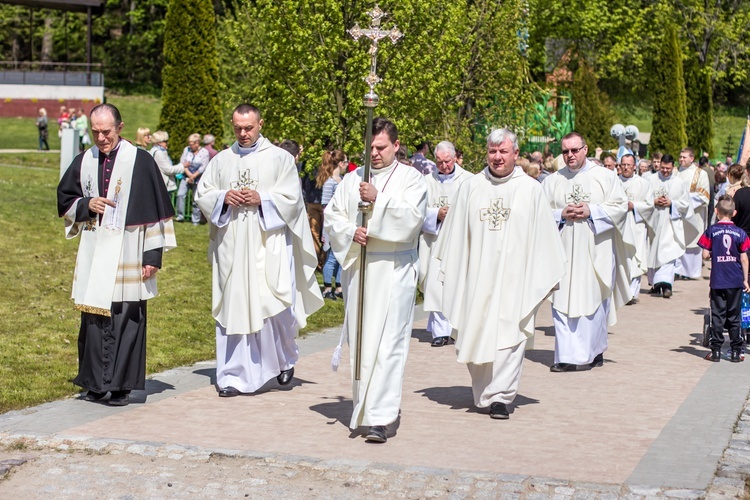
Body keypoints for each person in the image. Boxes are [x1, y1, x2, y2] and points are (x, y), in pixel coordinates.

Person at [426, 129, 566, 419]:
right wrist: (452, 271)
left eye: (504, 151)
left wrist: (546, 275)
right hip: (476, 277)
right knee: (475, 333)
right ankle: (484, 391)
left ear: (516, 153)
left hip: (515, 279)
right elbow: (454, 235)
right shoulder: (471, 187)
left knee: (509, 336)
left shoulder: (530, 189)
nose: (498, 157)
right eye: (493, 152)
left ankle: (501, 397)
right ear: (486, 153)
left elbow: (544, 236)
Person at [195, 104, 323, 397]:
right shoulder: (221, 161)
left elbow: (292, 200)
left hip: (269, 244)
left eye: (249, 128)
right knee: (233, 308)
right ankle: (231, 376)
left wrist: (262, 199)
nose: (243, 133)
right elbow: (204, 194)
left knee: (273, 310)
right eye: (238, 128)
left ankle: (283, 359)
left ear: (260, 124)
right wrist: (224, 197)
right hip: (232, 247)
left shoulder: (280, 158)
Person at [56, 103, 176, 406]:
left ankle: (122, 386)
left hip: (130, 249)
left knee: (127, 316)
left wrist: (152, 257)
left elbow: (156, 213)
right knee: (94, 318)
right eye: (95, 132)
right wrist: (86, 205)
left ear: (119, 128)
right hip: (96, 249)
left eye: (106, 132)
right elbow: (65, 199)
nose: (101, 138)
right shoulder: (84, 160)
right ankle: (95, 383)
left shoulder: (141, 161)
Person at [324, 117, 427, 443]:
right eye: (369, 147)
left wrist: (378, 199)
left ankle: (382, 418)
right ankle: (364, 409)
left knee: (389, 344)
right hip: (362, 269)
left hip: (394, 271)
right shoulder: (351, 178)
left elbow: (412, 220)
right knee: (364, 342)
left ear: (396, 145)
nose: (374, 154)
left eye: (381, 147)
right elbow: (332, 217)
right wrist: (350, 231)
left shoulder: (412, 179)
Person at [542, 132, 635, 372]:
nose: (570, 155)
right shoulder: (552, 181)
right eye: (565, 152)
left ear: (585, 149)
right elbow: (539, 215)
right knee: (562, 300)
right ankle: (566, 355)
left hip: (596, 249)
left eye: (574, 150)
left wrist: (591, 211)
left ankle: (592, 352)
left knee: (593, 300)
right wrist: (560, 214)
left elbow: (620, 207)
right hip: (562, 251)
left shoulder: (604, 177)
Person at [418, 140, 471, 347]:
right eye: (439, 162)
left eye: (447, 161)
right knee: (435, 285)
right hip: (434, 241)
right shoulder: (425, 182)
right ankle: (440, 331)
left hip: (458, 241)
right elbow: (415, 212)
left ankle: (457, 327)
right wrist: (436, 214)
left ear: (455, 157)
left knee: (458, 283)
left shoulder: (468, 180)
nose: (443, 166)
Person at [698, 195, 750, 362]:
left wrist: (715, 253)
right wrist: (745, 279)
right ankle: (736, 351)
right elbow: (744, 258)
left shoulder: (712, 231)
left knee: (717, 315)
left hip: (718, 280)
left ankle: (716, 351)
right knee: (735, 315)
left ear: (716, 211)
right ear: (734, 213)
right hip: (735, 281)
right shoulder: (740, 233)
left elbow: (705, 254)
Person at [646, 154, 692, 298]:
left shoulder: (679, 182)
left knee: (668, 253)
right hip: (654, 223)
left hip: (671, 225)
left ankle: (666, 285)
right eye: (663, 168)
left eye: (668, 168)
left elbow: (686, 204)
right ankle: (656, 283)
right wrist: (654, 201)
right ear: (659, 165)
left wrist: (672, 203)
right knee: (652, 253)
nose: (665, 171)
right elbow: (643, 199)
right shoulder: (650, 180)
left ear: (673, 167)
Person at [619, 153, 654, 304]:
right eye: (623, 164)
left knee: (635, 257)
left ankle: (632, 293)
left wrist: (634, 206)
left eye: (629, 165)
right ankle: (621, 291)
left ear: (634, 166)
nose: (626, 167)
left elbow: (649, 205)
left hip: (636, 225)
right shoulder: (614, 182)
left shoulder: (643, 183)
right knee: (621, 258)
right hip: (619, 226)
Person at [674, 147, 710, 280]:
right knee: (677, 241)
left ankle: (691, 272)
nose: (681, 159)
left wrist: (684, 200)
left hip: (693, 215)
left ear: (692, 158)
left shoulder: (700, 174)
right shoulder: (675, 172)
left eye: (684, 157)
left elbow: (704, 195)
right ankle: (677, 270)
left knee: (692, 243)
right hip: (677, 215)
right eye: (680, 157)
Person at [317, 149, 347, 299]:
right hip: (331, 224)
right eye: (346, 161)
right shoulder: (329, 182)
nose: (347, 165)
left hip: (342, 223)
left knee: (342, 256)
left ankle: (339, 287)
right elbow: (325, 207)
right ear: (340, 163)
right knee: (331, 257)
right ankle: (328, 287)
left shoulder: (342, 180)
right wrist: (325, 230)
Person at [176, 133, 210, 224]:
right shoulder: (186, 150)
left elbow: (203, 166)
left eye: (192, 144)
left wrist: (194, 176)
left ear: (197, 143)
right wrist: (189, 175)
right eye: (189, 144)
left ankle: (195, 219)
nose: (190, 146)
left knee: (196, 199)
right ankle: (180, 216)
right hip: (186, 176)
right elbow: (182, 162)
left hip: (198, 178)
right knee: (180, 194)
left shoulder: (204, 152)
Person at [149, 130, 184, 195]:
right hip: (163, 185)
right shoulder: (158, 153)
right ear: (159, 142)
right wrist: (182, 166)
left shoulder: (155, 151)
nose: (167, 143)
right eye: (165, 141)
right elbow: (168, 170)